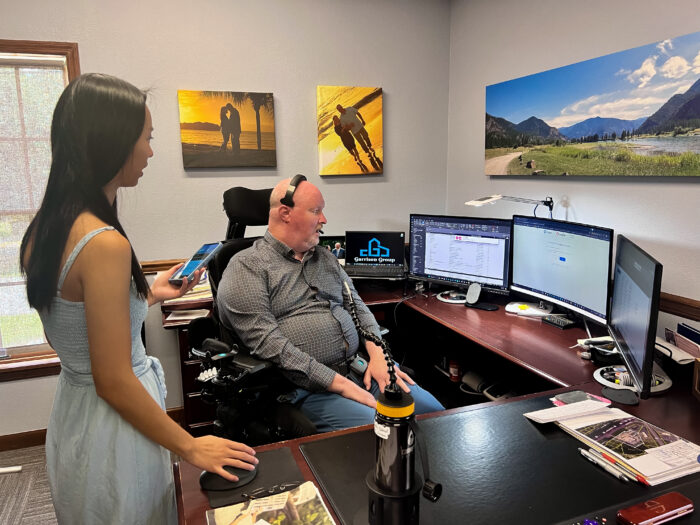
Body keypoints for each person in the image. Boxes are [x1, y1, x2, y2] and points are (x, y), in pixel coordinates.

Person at [20, 73, 257, 524]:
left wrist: (146, 295)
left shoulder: (46, 230)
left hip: (75, 416)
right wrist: (190, 445)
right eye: (146, 138)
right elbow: (112, 380)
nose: (150, 150)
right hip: (114, 429)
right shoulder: (104, 243)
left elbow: (75, 327)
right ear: (112, 142)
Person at [216, 177, 444, 432]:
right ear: (285, 213)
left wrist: (380, 356)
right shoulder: (247, 267)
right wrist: (340, 384)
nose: (324, 219)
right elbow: (270, 345)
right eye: (316, 211)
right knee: (385, 431)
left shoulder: (324, 258)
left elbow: (357, 307)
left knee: (435, 416)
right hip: (307, 389)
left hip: (362, 369)